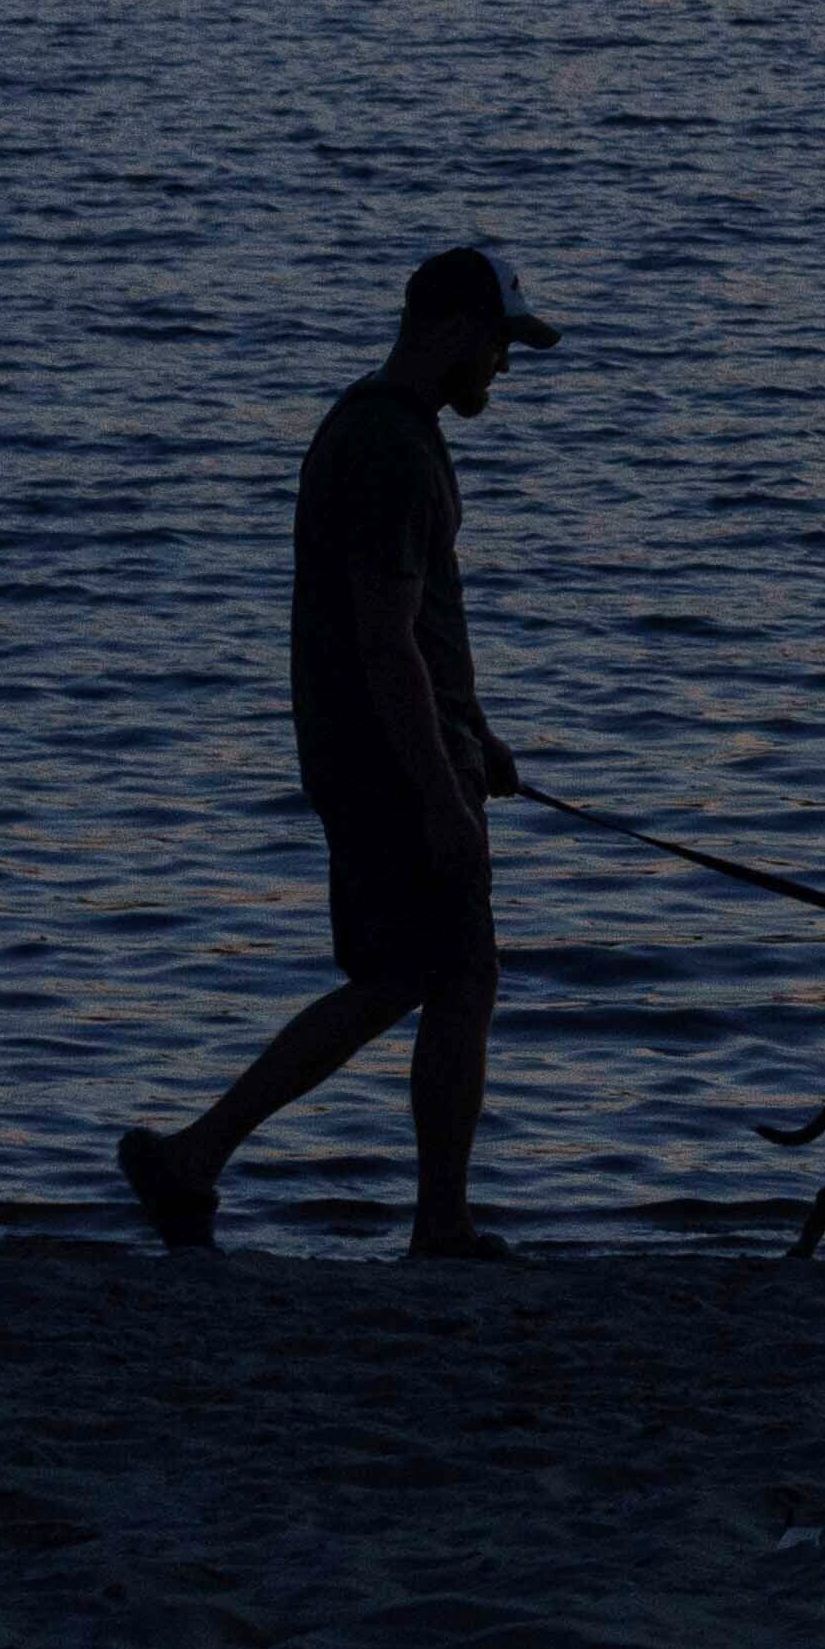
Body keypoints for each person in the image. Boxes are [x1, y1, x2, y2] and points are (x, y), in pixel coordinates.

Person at [121, 244, 553, 1256]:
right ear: (453, 331)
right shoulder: (390, 447)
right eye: (499, 344)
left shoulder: (385, 430)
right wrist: (440, 789)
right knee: (450, 976)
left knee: (410, 976)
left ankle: (198, 1159)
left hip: (388, 753)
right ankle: (432, 1222)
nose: (504, 366)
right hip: (391, 764)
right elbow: (384, 639)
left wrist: (475, 734)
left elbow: (417, 632)